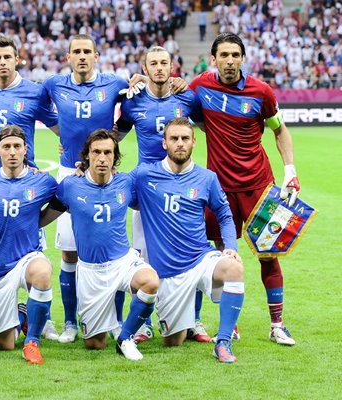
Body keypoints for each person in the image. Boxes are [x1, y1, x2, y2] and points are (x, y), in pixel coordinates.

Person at [189, 33, 300, 345]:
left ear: (242, 58)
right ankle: (229, 324)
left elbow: (280, 131)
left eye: (235, 55)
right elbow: (190, 116)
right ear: (213, 59)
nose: (229, 61)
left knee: (268, 254)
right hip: (219, 189)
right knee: (219, 257)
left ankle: (277, 324)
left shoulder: (261, 92)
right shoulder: (201, 86)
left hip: (259, 185)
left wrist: (289, 171)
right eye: (223, 55)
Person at [0, 36, 59, 341]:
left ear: (17, 59)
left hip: (24, 185)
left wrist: (75, 153)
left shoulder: (33, 92)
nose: (2, 62)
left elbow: (61, 125)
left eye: (8, 56)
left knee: (35, 253)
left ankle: (41, 320)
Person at [130, 118, 245, 363]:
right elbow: (114, 189)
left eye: (185, 138)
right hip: (168, 273)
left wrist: (230, 248)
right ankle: (175, 322)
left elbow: (225, 215)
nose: (180, 144)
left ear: (194, 141)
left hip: (200, 258)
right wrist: (83, 168)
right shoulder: (143, 175)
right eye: (174, 139)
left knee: (234, 268)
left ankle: (223, 341)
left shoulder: (207, 178)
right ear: (164, 143)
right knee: (173, 341)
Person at [40, 34, 130, 343]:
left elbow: (136, 100)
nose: (81, 56)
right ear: (67, 57)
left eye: (87, 51)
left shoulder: (114, 83)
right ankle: (70, 323)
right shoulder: (53, 85)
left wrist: (113, 143)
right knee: (69, 253)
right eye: (76, 51)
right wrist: (59, 132)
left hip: (104, 171)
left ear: (96, 56)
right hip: (70, 174)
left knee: (111, 251)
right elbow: (33, 105)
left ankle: (116, 321)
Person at [41, 129, 159, 361]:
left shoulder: (126, 182)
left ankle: (125, 338)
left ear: (115, 157)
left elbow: (143, 204)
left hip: (123, 262)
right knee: (94, 344)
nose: (102, 158)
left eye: (108, 152)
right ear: (87, 156)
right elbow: (46, 216)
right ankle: (98, 327)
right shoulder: (70, 186)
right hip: (90, 271)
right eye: (97, 152)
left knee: (150, 282)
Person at [116, 46, 208, 343]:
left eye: (163, 63)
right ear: (145, 67)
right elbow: (115, 135)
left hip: (182, 189)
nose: (158, 68)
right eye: (152, 63)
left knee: (190, 255)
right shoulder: (133, 102)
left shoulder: (187, 98)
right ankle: (142, 324)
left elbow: (208, 127)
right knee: (141, 257)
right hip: (147, 191)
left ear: (172, 67)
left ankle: (193, 321)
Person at [0, 125, 57, 364]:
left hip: (27, 259)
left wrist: (37, 222)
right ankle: (21, 314)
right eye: (7, 147)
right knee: (4, 344)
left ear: (26, 149)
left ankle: (32, 341)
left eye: (17, 146)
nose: (12, 151)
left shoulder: (43, 181)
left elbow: (64, 200)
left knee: (43, 271)